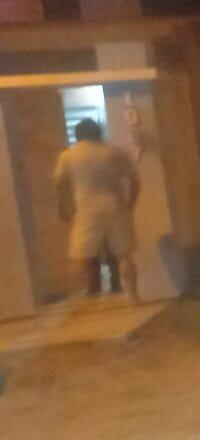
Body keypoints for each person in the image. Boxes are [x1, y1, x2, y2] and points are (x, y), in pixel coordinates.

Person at [52, 118, 140, 303]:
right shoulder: (114, 152)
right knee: (124, 254)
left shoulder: (68, 155)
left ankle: (81, 296)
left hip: (86, 208)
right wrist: (130, 204)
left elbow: (60, 184)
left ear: (78, 134)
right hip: (115, 205)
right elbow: (134, 179)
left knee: (81, 255)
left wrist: (63, 207)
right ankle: (133, 296)